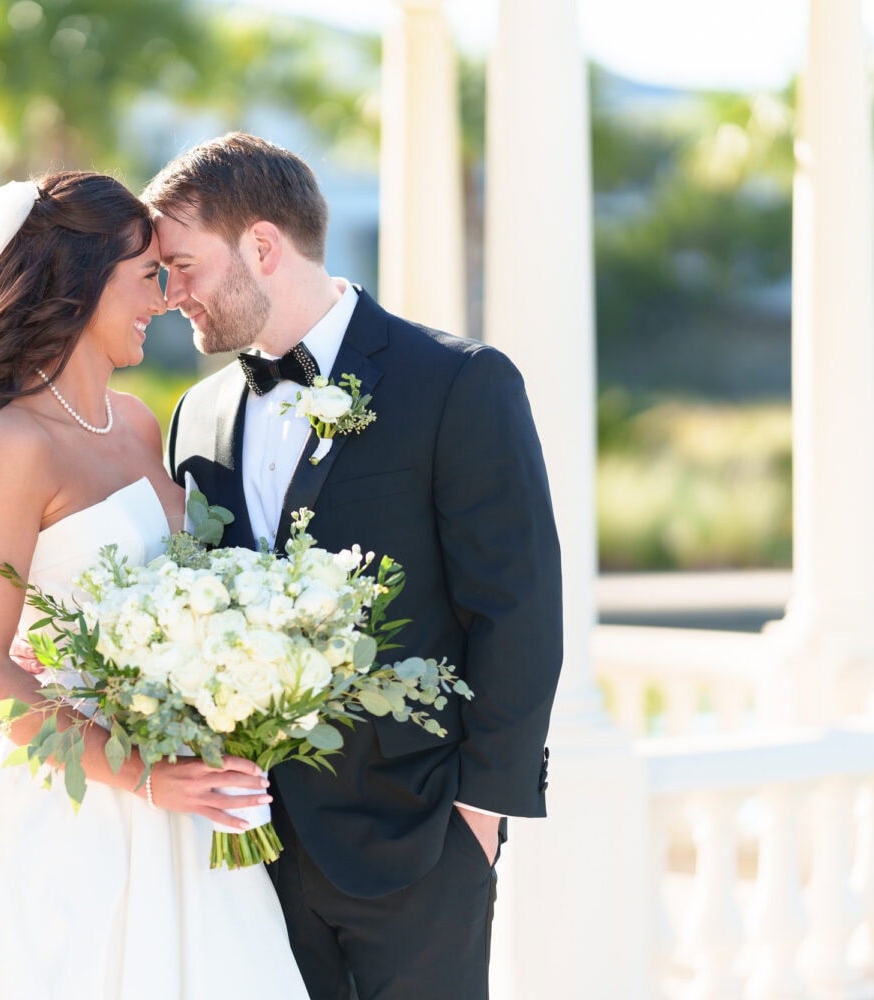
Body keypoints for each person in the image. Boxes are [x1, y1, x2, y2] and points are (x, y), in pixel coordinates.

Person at [0, 172, 310, 1000]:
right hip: (80, 809)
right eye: (147, 275)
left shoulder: (138, 423)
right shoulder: (14, 440)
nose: (164, 298)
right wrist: (141, 774)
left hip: (189, 803)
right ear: (81, 283)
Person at [146, 134, 563, 1000]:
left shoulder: (458, 383)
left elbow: (518, 611)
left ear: (262, 246)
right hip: (248, 855)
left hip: (418, 841)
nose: (169, 294)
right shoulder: (196, 413)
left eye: (182, 265)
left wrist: (477, 817)